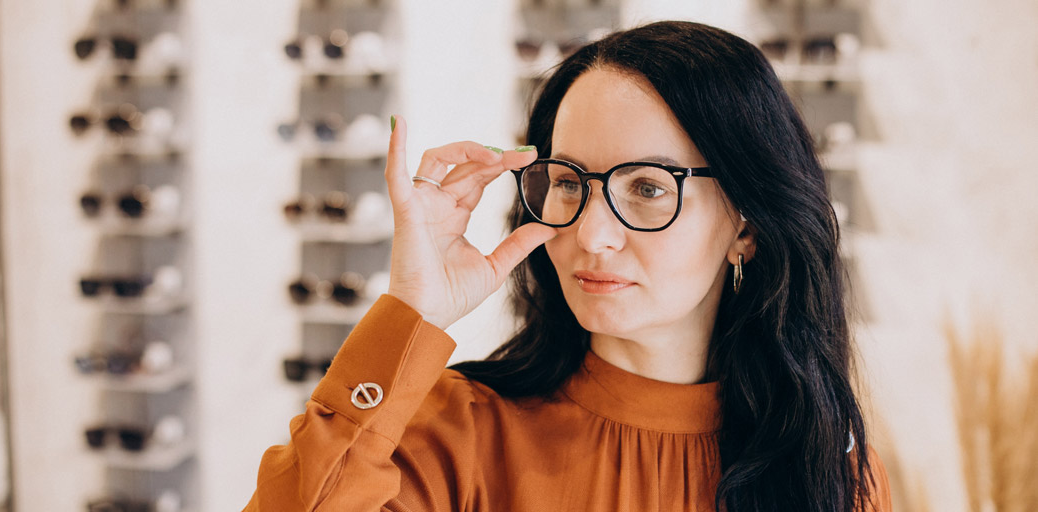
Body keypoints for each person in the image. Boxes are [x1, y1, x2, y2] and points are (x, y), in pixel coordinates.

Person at [245, 20, 891, 512]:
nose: (591, 233)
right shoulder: (456, 431)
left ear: (745, 227)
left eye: (646, 187)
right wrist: (413, 311)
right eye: (569, 181)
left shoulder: (821, 460)